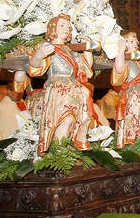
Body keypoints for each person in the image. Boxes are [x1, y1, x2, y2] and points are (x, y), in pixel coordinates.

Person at [28, 14, 94, 153]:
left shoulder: (71, 50)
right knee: (65, 119)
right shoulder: (47, 47)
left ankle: (66, 150)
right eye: (62, 25)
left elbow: (86, 70)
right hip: (59, 89)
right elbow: (35, 69)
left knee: (75, 120)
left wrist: (88, 50)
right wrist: (39, 55)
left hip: (74, 90)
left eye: (68, 27)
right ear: (53, 28)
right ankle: (59, 153)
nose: (67, 28)